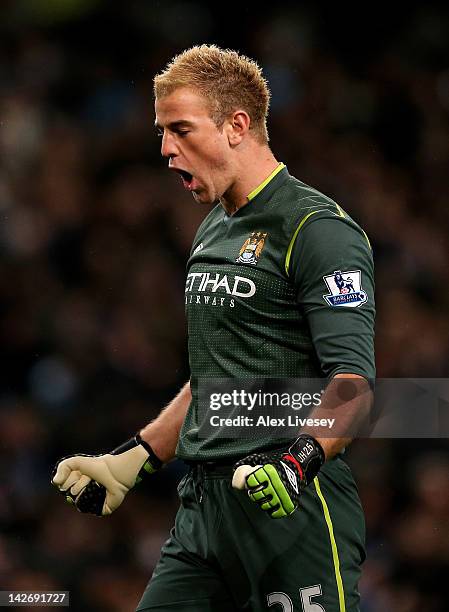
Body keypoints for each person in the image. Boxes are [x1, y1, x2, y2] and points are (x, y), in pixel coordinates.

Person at [52, 45, 375, 611]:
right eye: (161, 132)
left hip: (290, 511)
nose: (165, 149)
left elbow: (352, 384)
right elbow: (216, 383)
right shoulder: (212, 230)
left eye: (180, 129)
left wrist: (297, 462)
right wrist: (134, 458)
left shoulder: (317, 230)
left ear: (236, 126)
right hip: (204, 513)